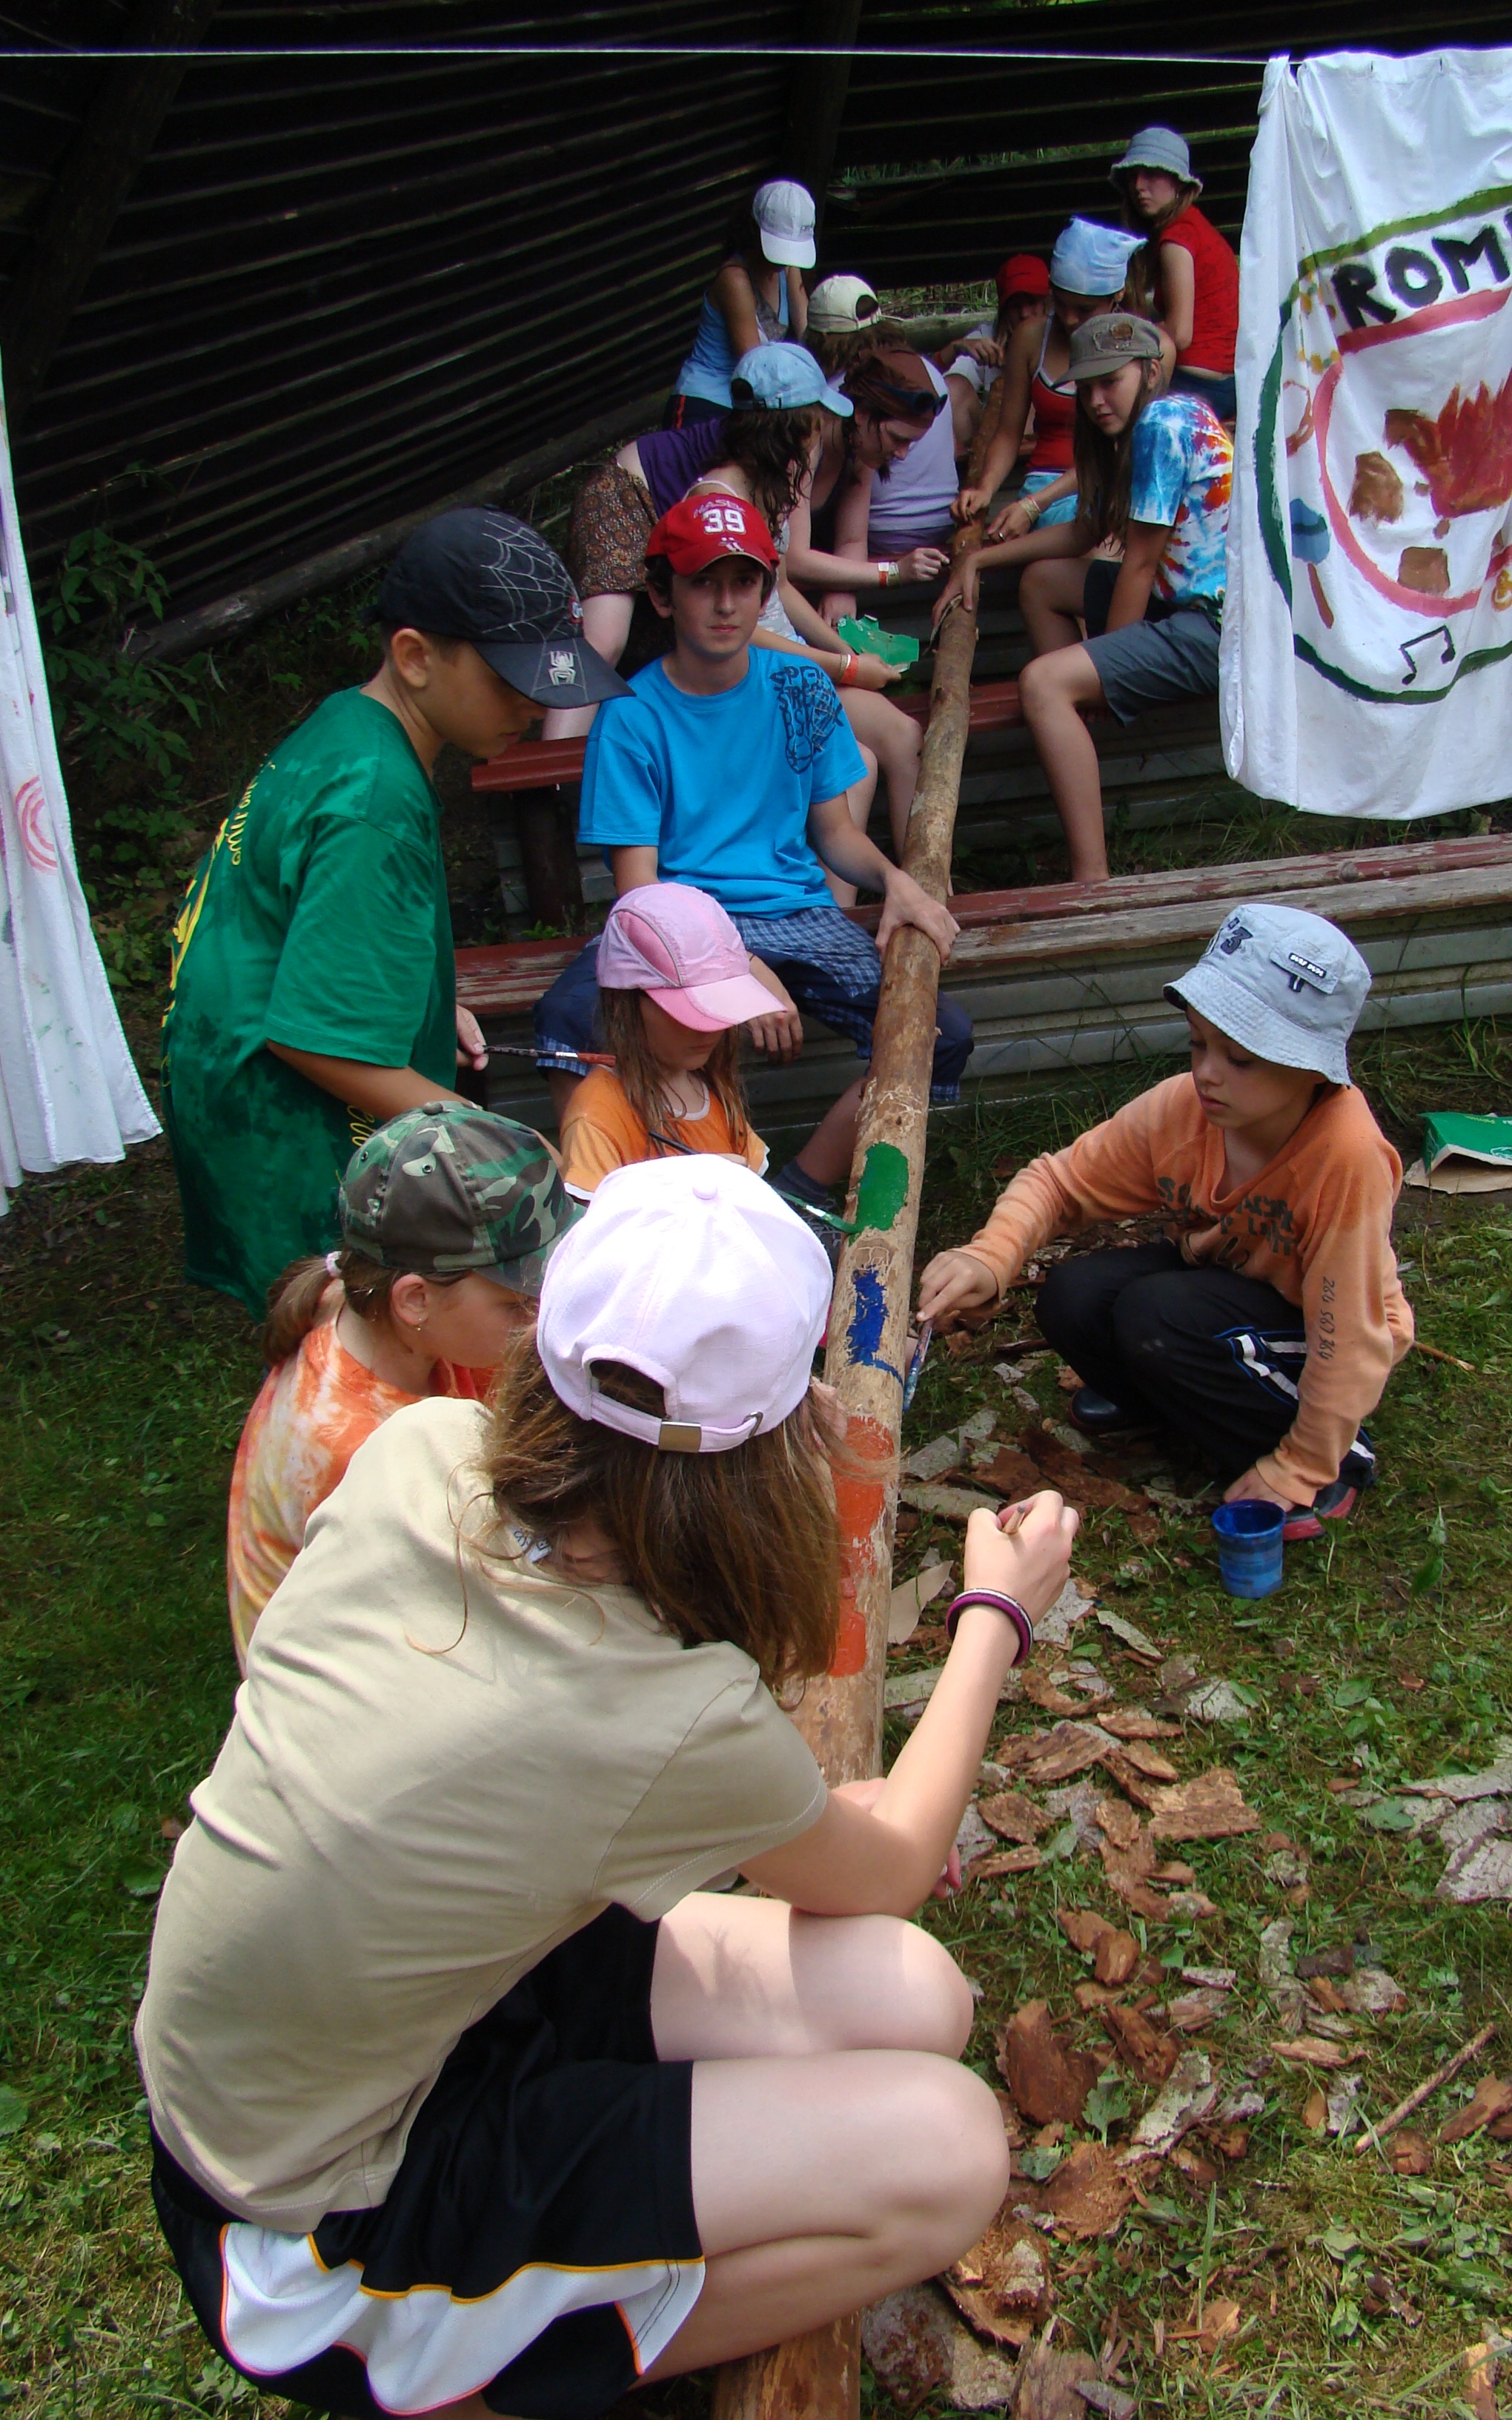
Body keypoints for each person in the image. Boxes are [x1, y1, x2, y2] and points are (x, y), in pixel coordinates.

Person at [136, 1151, 1080, 2415]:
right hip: (303, 2219)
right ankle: (492, 2362)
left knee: (917, 1992)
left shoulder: (423, 1446)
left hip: (348, 2043)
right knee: (951, 2151)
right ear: (776, 1443)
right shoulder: (671, 1712)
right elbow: (898, 1861)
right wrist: (994, 1614)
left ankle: (579, 2230)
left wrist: (795, 1824)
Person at [162, 507, 623, 1317]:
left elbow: (322, 928)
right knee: (346, 1325)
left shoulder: (352, 728)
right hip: (284, 1118)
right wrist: (496, 1140)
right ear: (414, 657)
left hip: (228, 1075)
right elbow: (316, 1039)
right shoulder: (375, 801)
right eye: (508, 677)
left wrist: (425, 1002)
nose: (531, 701)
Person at [920, 906, 1412, 1541]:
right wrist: (990, 1255)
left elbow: (1347, 1339)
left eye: (1241, 1058)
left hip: (1322, 1325)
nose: (1207, 1072)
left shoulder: (1347, 1156)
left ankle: (1335, 1464)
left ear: (1310, 1066)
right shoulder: (1185, 1109)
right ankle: (1166, 1407)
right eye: (1198, 1043)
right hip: (1225, 1295)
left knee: (1156, 1313)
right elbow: (1060, 1181)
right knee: (1074, 1295)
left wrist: (1303, 1464)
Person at [557, 492, 970, 1216]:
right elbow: (639, 893)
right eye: (703, 584)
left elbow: (834, 834)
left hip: (799, 915)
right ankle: (623, 1202)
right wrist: (735, 966)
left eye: (743, 583)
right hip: (677, 926)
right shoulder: (631, 715)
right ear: (662, 594)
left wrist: (895, 881)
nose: (726, 604)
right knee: (564, 1021)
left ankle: (798, 1196)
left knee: (939, 1033)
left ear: (765, 589)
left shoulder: (801, 687)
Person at [226, 1102, 573, 1668]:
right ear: (414, 1299)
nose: (540, 1317)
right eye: (516, 1304)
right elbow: (490, 1612)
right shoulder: (363, 1451)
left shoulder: (380, 1315)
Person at [551, 346, 921, 854]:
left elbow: (781, 588)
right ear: (797, 430)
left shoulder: (774, 488)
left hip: (796, 666)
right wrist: (845, 668)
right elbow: (738, 627)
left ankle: (920, 880)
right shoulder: (716, 500)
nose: (822, 440)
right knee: (862, 764)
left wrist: (845, 654)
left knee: (902, 736)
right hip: (760, 676)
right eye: (817, 427)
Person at [936, 313, 1230, 883]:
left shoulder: (1163, 425)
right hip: (1178, 603)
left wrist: (1105, 662)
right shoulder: (1146, 424)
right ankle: (1080, 721)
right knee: (1042, 582)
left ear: (1150, 372)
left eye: (1110, 382)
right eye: (1087, 387)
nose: (1096, 400)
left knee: (1041, 683)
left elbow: (1138, 563)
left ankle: (1091, 880)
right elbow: (1086, 531)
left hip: (1215, 626)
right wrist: (979, 559)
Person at [558, 885, 775, 1198]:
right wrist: (684, 1186)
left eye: (719, 1007)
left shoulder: (711, 1087)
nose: (709, 1029)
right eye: (687, 1012)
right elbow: (599, 1225)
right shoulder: (596, 1116)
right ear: (624, 1005)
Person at [954, 218, 1153, 538]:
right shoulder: (1030, 337)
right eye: (1059, 303)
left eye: (1084, 309)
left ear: (1117, 295)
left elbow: (1120, 452)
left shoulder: (1146, 347)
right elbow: (1008, 433)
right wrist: (986, 489)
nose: (1070, 318)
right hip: (1045, 484)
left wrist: (1034, 505)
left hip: (1115, 483)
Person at [795, 345, 953, 623]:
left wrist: (843, 590)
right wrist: (892, 572)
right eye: (897, 439)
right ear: (862, 414)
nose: (902, 454)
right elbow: (793, 559)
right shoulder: (807, 440)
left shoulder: (860, 450)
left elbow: (852, 540)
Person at [1111, 124, 1240, 423]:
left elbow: (1180, 334)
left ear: (1179, 183)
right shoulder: (1193, 226)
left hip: (1199, 383)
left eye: (1152, 174)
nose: (1139, 186)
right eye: (1133, 175)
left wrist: (1119, 335)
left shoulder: (1178, 238)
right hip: (1224, 382)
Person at [667, 179, 815, 428]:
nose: (784, 260)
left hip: (744, 405)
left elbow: (809, 337)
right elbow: (754, 365)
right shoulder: (734, 279)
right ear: (755, 231)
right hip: (705, 401)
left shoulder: (789, 269)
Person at [944, 252, 1052, 454]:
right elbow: (934, 389)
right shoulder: (988, 336)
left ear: (1048, 301)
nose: (1024, 314)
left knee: (1028, 388)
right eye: (1015, 306)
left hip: (1050, 441)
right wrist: (957, 348)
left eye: (1032, 303)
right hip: (992, 440)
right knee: (954, 387)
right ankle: (961, 464)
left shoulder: (1063, 334)